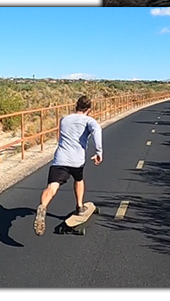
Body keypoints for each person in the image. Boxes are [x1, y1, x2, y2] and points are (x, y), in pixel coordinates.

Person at [34, 95, 102, 236]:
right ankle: (79, 206)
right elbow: (97, 131)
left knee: (52, 186)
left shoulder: (64, 119)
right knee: (78, 180)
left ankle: (43, 206)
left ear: (76, 106)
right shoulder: (89, 121)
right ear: (89, 109)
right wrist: (98, 151)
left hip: (60, 158)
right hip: (76, 160)